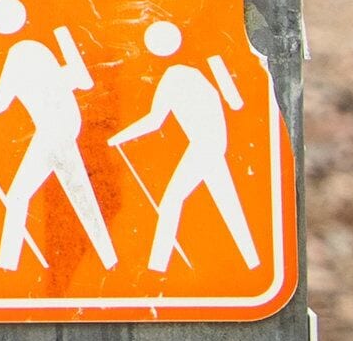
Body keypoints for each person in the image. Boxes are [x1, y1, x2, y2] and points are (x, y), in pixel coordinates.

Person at [0, 0, 117, 271]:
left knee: (25, 196)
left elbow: (1, 103)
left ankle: (7, 267)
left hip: (53, 131)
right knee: (78, 196)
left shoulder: (21, 54)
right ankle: (109, 261)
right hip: (64, 128)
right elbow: (80, 82)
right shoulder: (39, 52)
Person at [109, 18, 259, 274]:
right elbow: (234, 105)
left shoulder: (174, 76)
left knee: (171, 201)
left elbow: (155, 121)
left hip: (204, 146)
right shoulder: (199, 73)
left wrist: (118, 137)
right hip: (214, 144)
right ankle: (254, 262)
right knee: (228, 203)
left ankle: (157, 268)